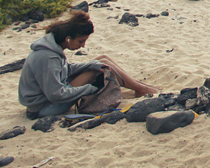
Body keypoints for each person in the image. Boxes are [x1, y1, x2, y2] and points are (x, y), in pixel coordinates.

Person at [18, 11, 160, 118]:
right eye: (81, 41)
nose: (83, 46)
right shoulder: (48, 57)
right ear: (68, 39)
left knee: (102, 60)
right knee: (98, 66)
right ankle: (142, 89)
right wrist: (89, 89)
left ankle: (140, 87)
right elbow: (56, 95)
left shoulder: (53, 48)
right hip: (44, 108)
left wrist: (92, 64)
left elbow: (66, 69)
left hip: (48, 99)